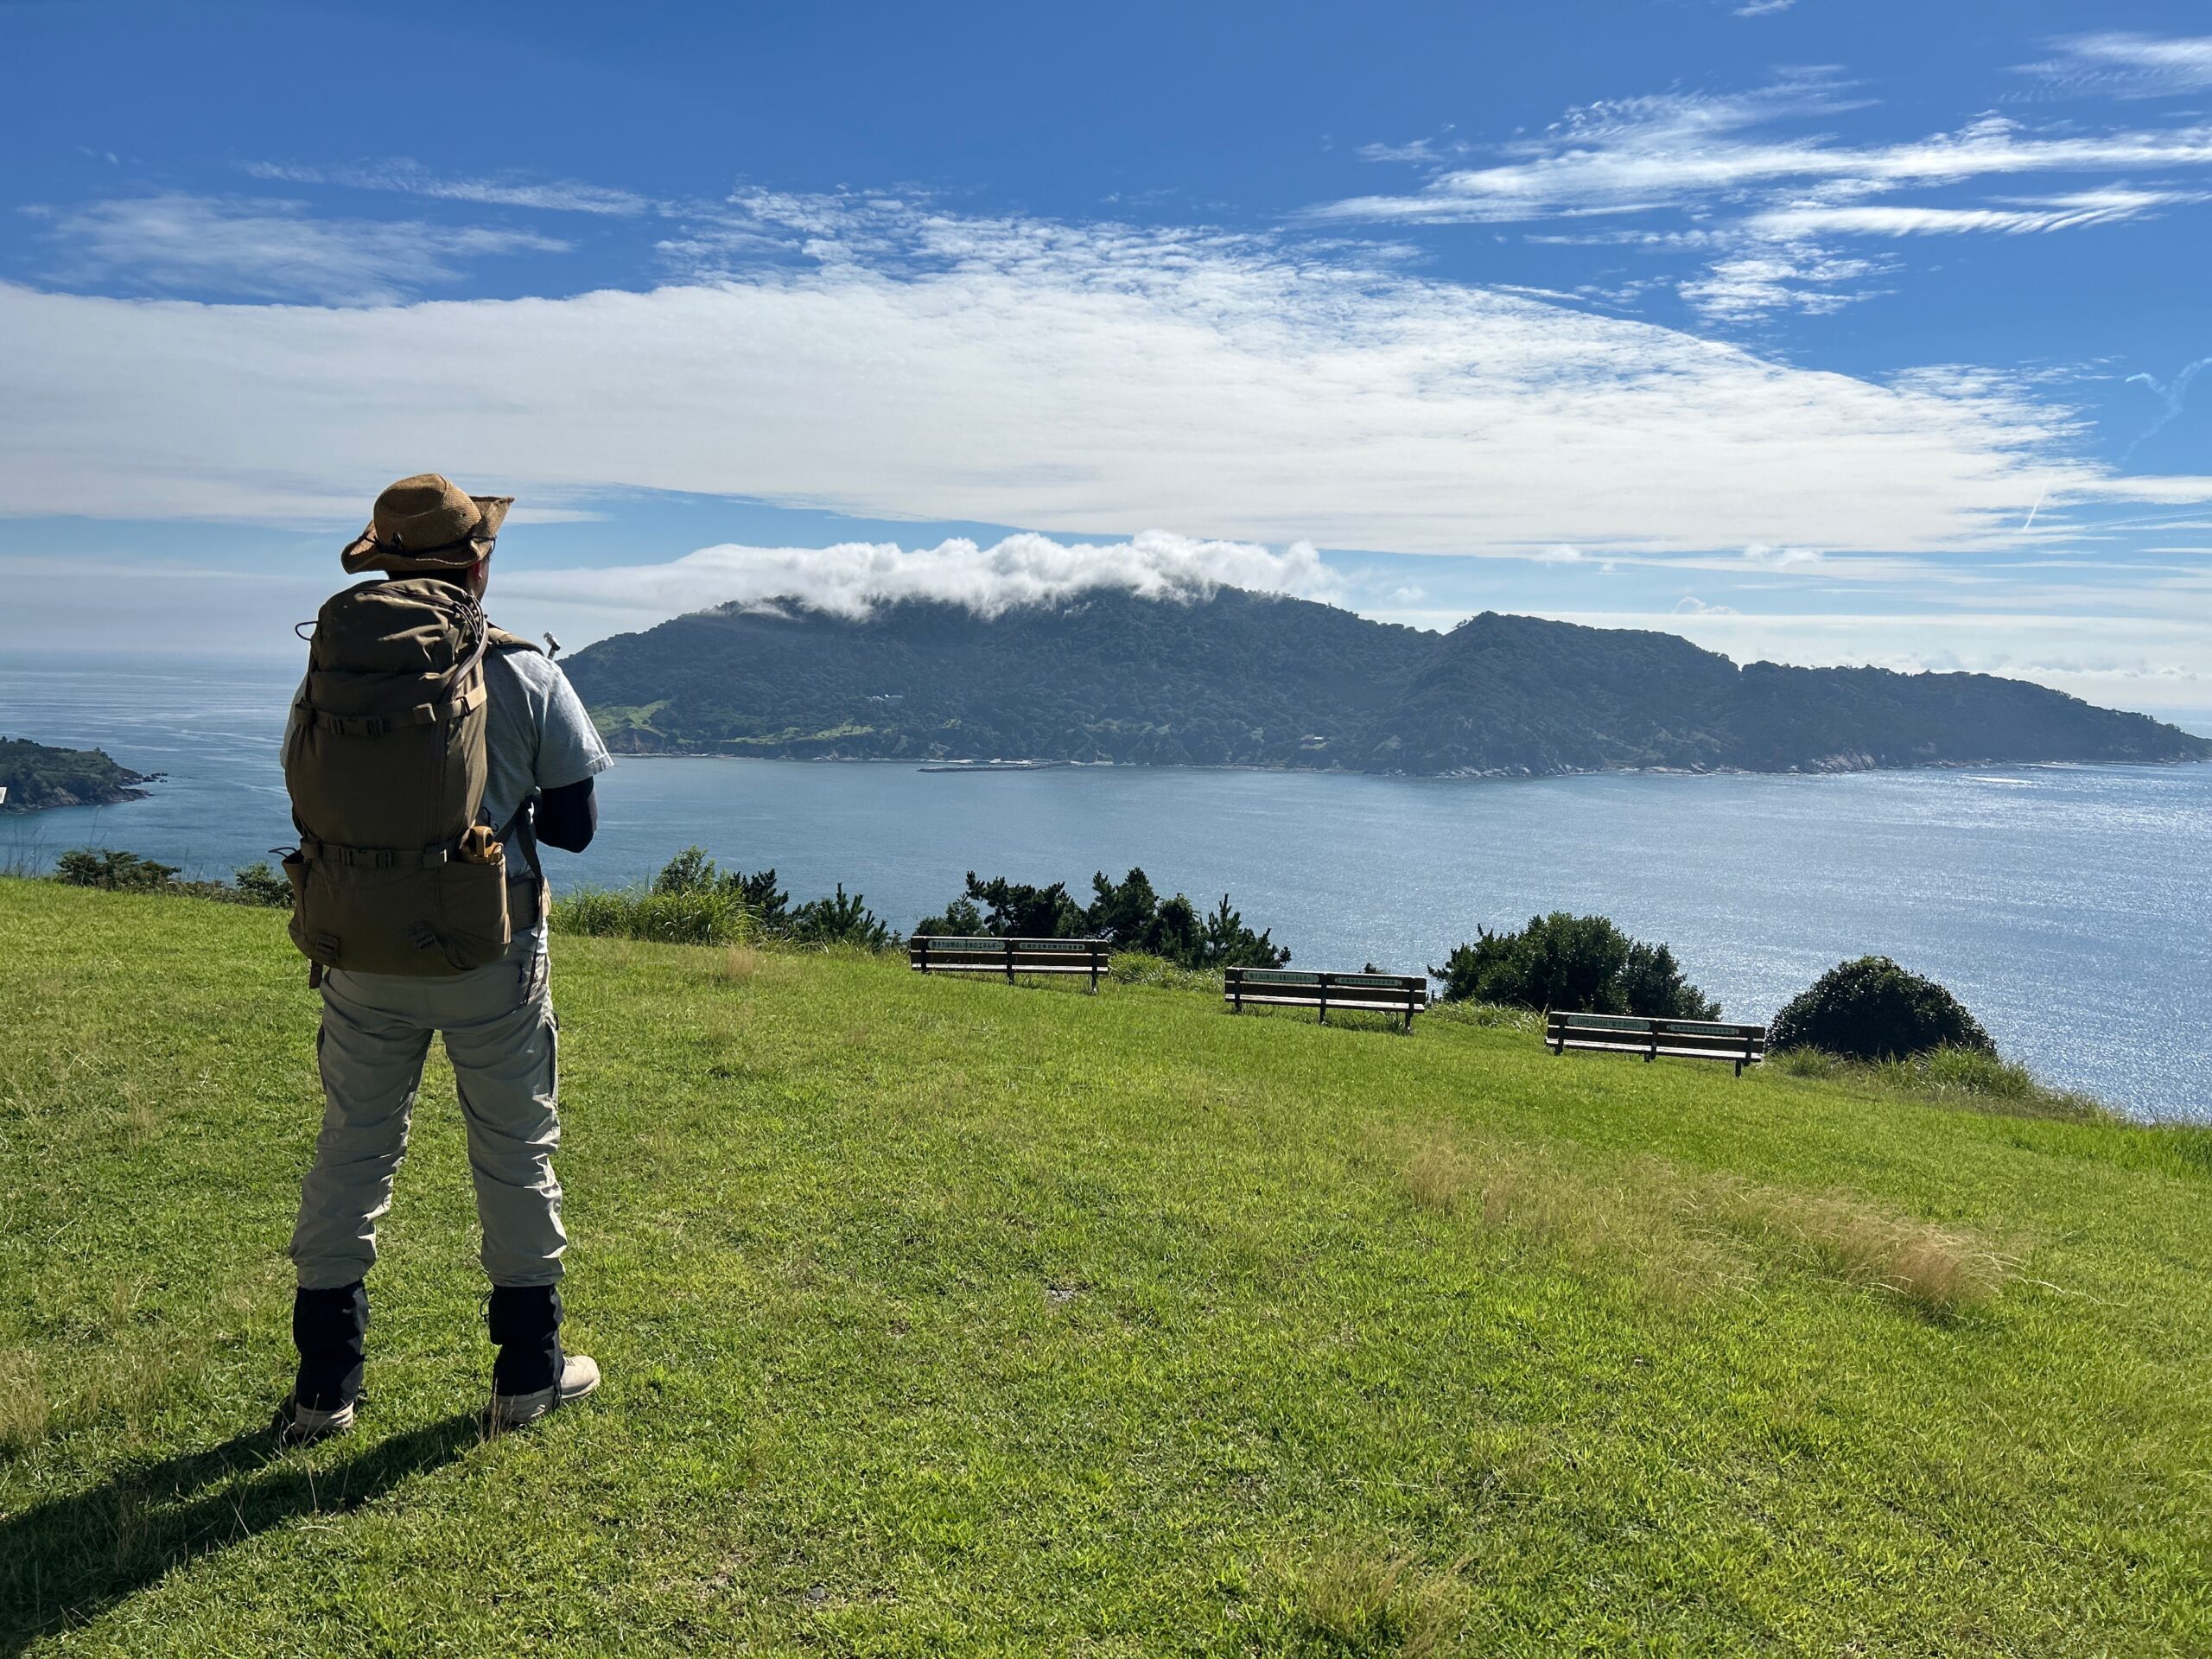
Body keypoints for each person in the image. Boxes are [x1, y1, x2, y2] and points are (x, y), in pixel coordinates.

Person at [274, 474, 613, 1446]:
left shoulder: (332, 672)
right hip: (487, 949)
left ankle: (323, 1390)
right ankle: (527, 1376)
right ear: (477, 560)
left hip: (356, 947)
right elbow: (576, 830)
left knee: (353, 1149)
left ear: (379, 562)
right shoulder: (523, 672)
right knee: (514, 1152)